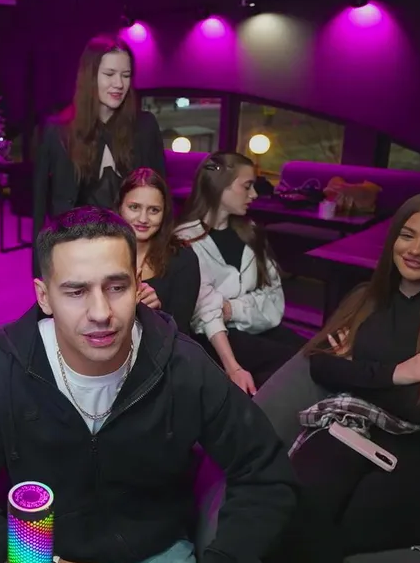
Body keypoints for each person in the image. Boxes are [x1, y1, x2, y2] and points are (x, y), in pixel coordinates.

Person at [0, 206, 298, 563]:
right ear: (44, 297)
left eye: (116, 287)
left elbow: (265, 471)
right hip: (35, 557)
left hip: (153, 553)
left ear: (138, 285)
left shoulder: (183, 366)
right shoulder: (5, 371)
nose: (101, 313)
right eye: (76, 291)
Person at [271, 191, 420, 563]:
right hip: (351, 428)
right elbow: (321, 365)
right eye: (407, 235)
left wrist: (354, 369)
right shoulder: (366, 298)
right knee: (294, 511)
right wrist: (398, 373)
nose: (416, 250)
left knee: (333, 533)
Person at [33, 35, 167, 273]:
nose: (119, 84)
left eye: (126, 75)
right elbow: (40, 204)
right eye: (109, 74)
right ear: (90, 76)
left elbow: (159, 195)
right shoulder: (58, 130)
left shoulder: (145, 127)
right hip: (76, 248)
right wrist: (40, 270)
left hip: (130, 248)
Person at [175, 152, 304, 395]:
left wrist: (231, 308)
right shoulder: (185, 240)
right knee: (292, 368)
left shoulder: (251, 232)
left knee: (311, 355)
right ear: (220, 186)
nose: (254, 194)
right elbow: (204, 311)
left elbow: (274, 299)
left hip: (259, 326)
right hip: (215, 338)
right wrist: (236, 307)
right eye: (247, 186)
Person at [115, 167, 208, 336]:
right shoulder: (99, 252)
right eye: (134, 207)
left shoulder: (182, 258)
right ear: (120, 207)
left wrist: (156, 313)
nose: (143, 218)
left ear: (164, 213)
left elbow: (180, 333)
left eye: (154, 210)